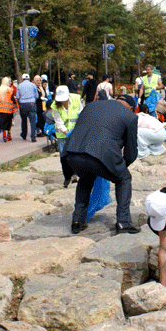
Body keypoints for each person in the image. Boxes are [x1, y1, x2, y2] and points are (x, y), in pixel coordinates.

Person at [64, 95, 140, 235]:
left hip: (71, 152)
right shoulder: (130, 116)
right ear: (131, 107)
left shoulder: (91, 106)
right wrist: (122, 166)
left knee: (86, 178)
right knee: (124, 178)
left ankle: (77, 221)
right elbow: (131, 152)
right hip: (101, 153)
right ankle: (123, 221)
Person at [49, 85, 82, 187]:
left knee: (76, 154)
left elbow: (81, 113)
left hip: (76, 132)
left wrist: (77, 130)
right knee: (64, 156)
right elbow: (59, 122)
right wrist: (67, 133)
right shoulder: (55, 106)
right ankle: (67, 176)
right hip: (62, 135)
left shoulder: (76, 99)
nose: (63, 102)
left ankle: (76, 176)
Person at [15, 73, 39, 142]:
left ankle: (24, 134)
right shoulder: (33, 85)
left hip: (23, 104)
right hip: (32, 104)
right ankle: (33, 137)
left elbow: (17, 97)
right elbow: (37, 96)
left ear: (22, 79)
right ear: (29, 79)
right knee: (32, 121)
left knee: (24, 120)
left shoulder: (19, 86)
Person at [0, 77, 16, 142]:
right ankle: (8, 135)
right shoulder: (10, 89)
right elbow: (13, 99)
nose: (10, 83)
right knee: (9, 123)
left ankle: (4, 135)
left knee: (2, 123)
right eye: (9, 82)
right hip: (8, 109)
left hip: (0, 109)